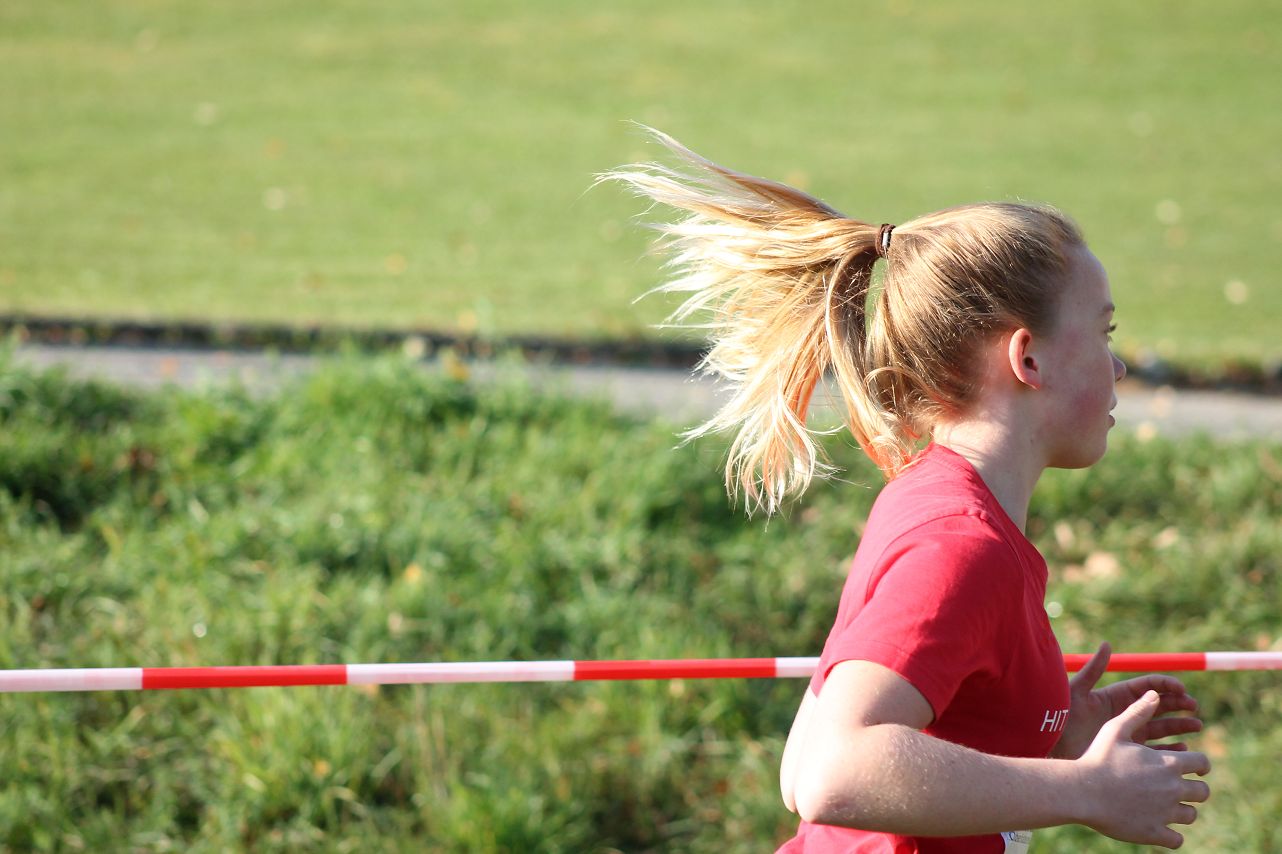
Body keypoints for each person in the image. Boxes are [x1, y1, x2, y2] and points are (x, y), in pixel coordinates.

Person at [604, 130, 1211, 852]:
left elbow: (804, 762)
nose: (1118, 367)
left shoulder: (928, 495)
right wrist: (1085, 790)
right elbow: (830, 772)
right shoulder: (963, 547)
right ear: (1028, 358)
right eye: (1104, 333)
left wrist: (1043, 732)